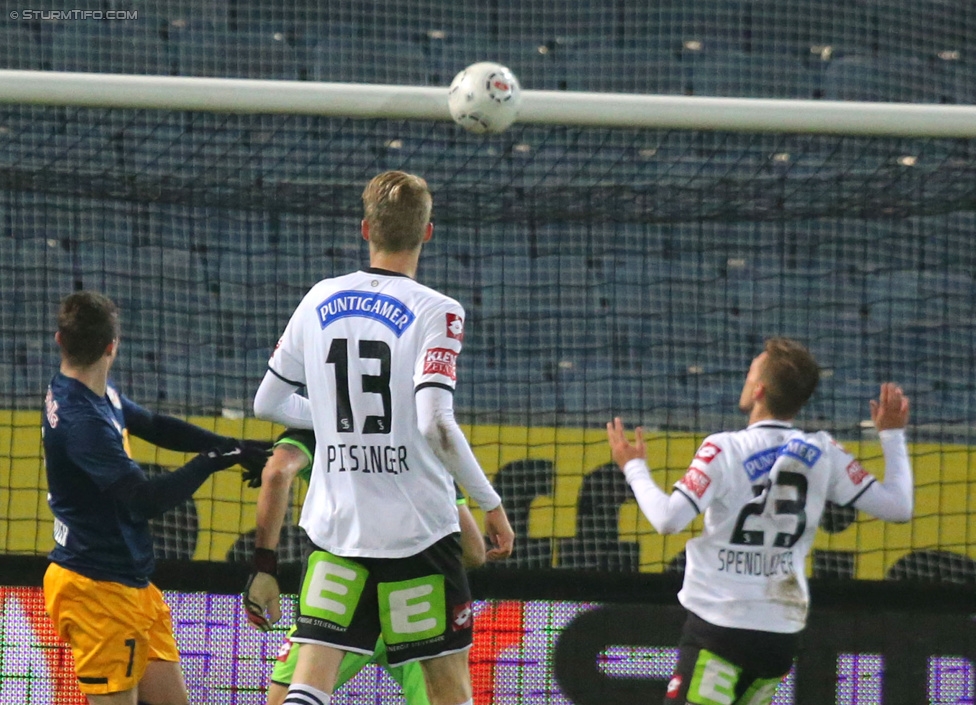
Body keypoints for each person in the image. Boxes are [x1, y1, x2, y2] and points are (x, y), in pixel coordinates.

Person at [252, 170, 514, 705]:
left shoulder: (320, 298)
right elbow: (435, 423)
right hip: (417, 535)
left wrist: (331, 420)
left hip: (338, 530)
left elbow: (267, 404)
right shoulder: (438, 310)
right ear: (428, 233)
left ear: (364, 228)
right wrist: (490, 503)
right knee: (446, 689)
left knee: (307, 684)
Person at [606, 337, 913, 705]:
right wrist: (892, 435)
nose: (746, 379)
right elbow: (899, 507)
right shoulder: (824, 451)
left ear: (760, 390)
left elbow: (668, 519)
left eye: (751, 373)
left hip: (720, 628)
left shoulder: (723, 448)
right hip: (780, 634)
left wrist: (634, 467)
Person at [42, 291, 271, 705]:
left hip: (129, 582)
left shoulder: (90, 391)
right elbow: (144, 500)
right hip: (96, 588)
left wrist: (235, 447)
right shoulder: (82, 420)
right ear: (114, 345)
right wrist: (209, 461)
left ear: (60, 339)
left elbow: (154, 425)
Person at [242, 429, 490, 705]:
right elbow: (474, 552)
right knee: (444, 696)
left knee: (295, 695)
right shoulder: (420, 440)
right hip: (412, 599)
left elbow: (277, 474)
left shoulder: (322, 422)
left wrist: (264, 567)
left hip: (343, 594)